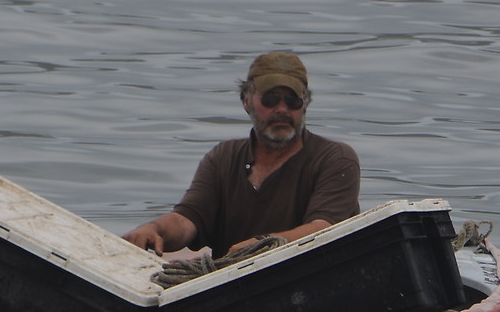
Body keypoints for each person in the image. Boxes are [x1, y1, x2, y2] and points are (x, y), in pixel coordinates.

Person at [121, 52, 361, 261]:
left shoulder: (335, 159)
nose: (282, 109)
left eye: (293, 100)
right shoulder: (222, 158)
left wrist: (259, 245)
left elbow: (322, 229)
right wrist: (154, 229)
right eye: (270, 99)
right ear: (246, 101)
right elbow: (186, 221)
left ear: (305, 104)